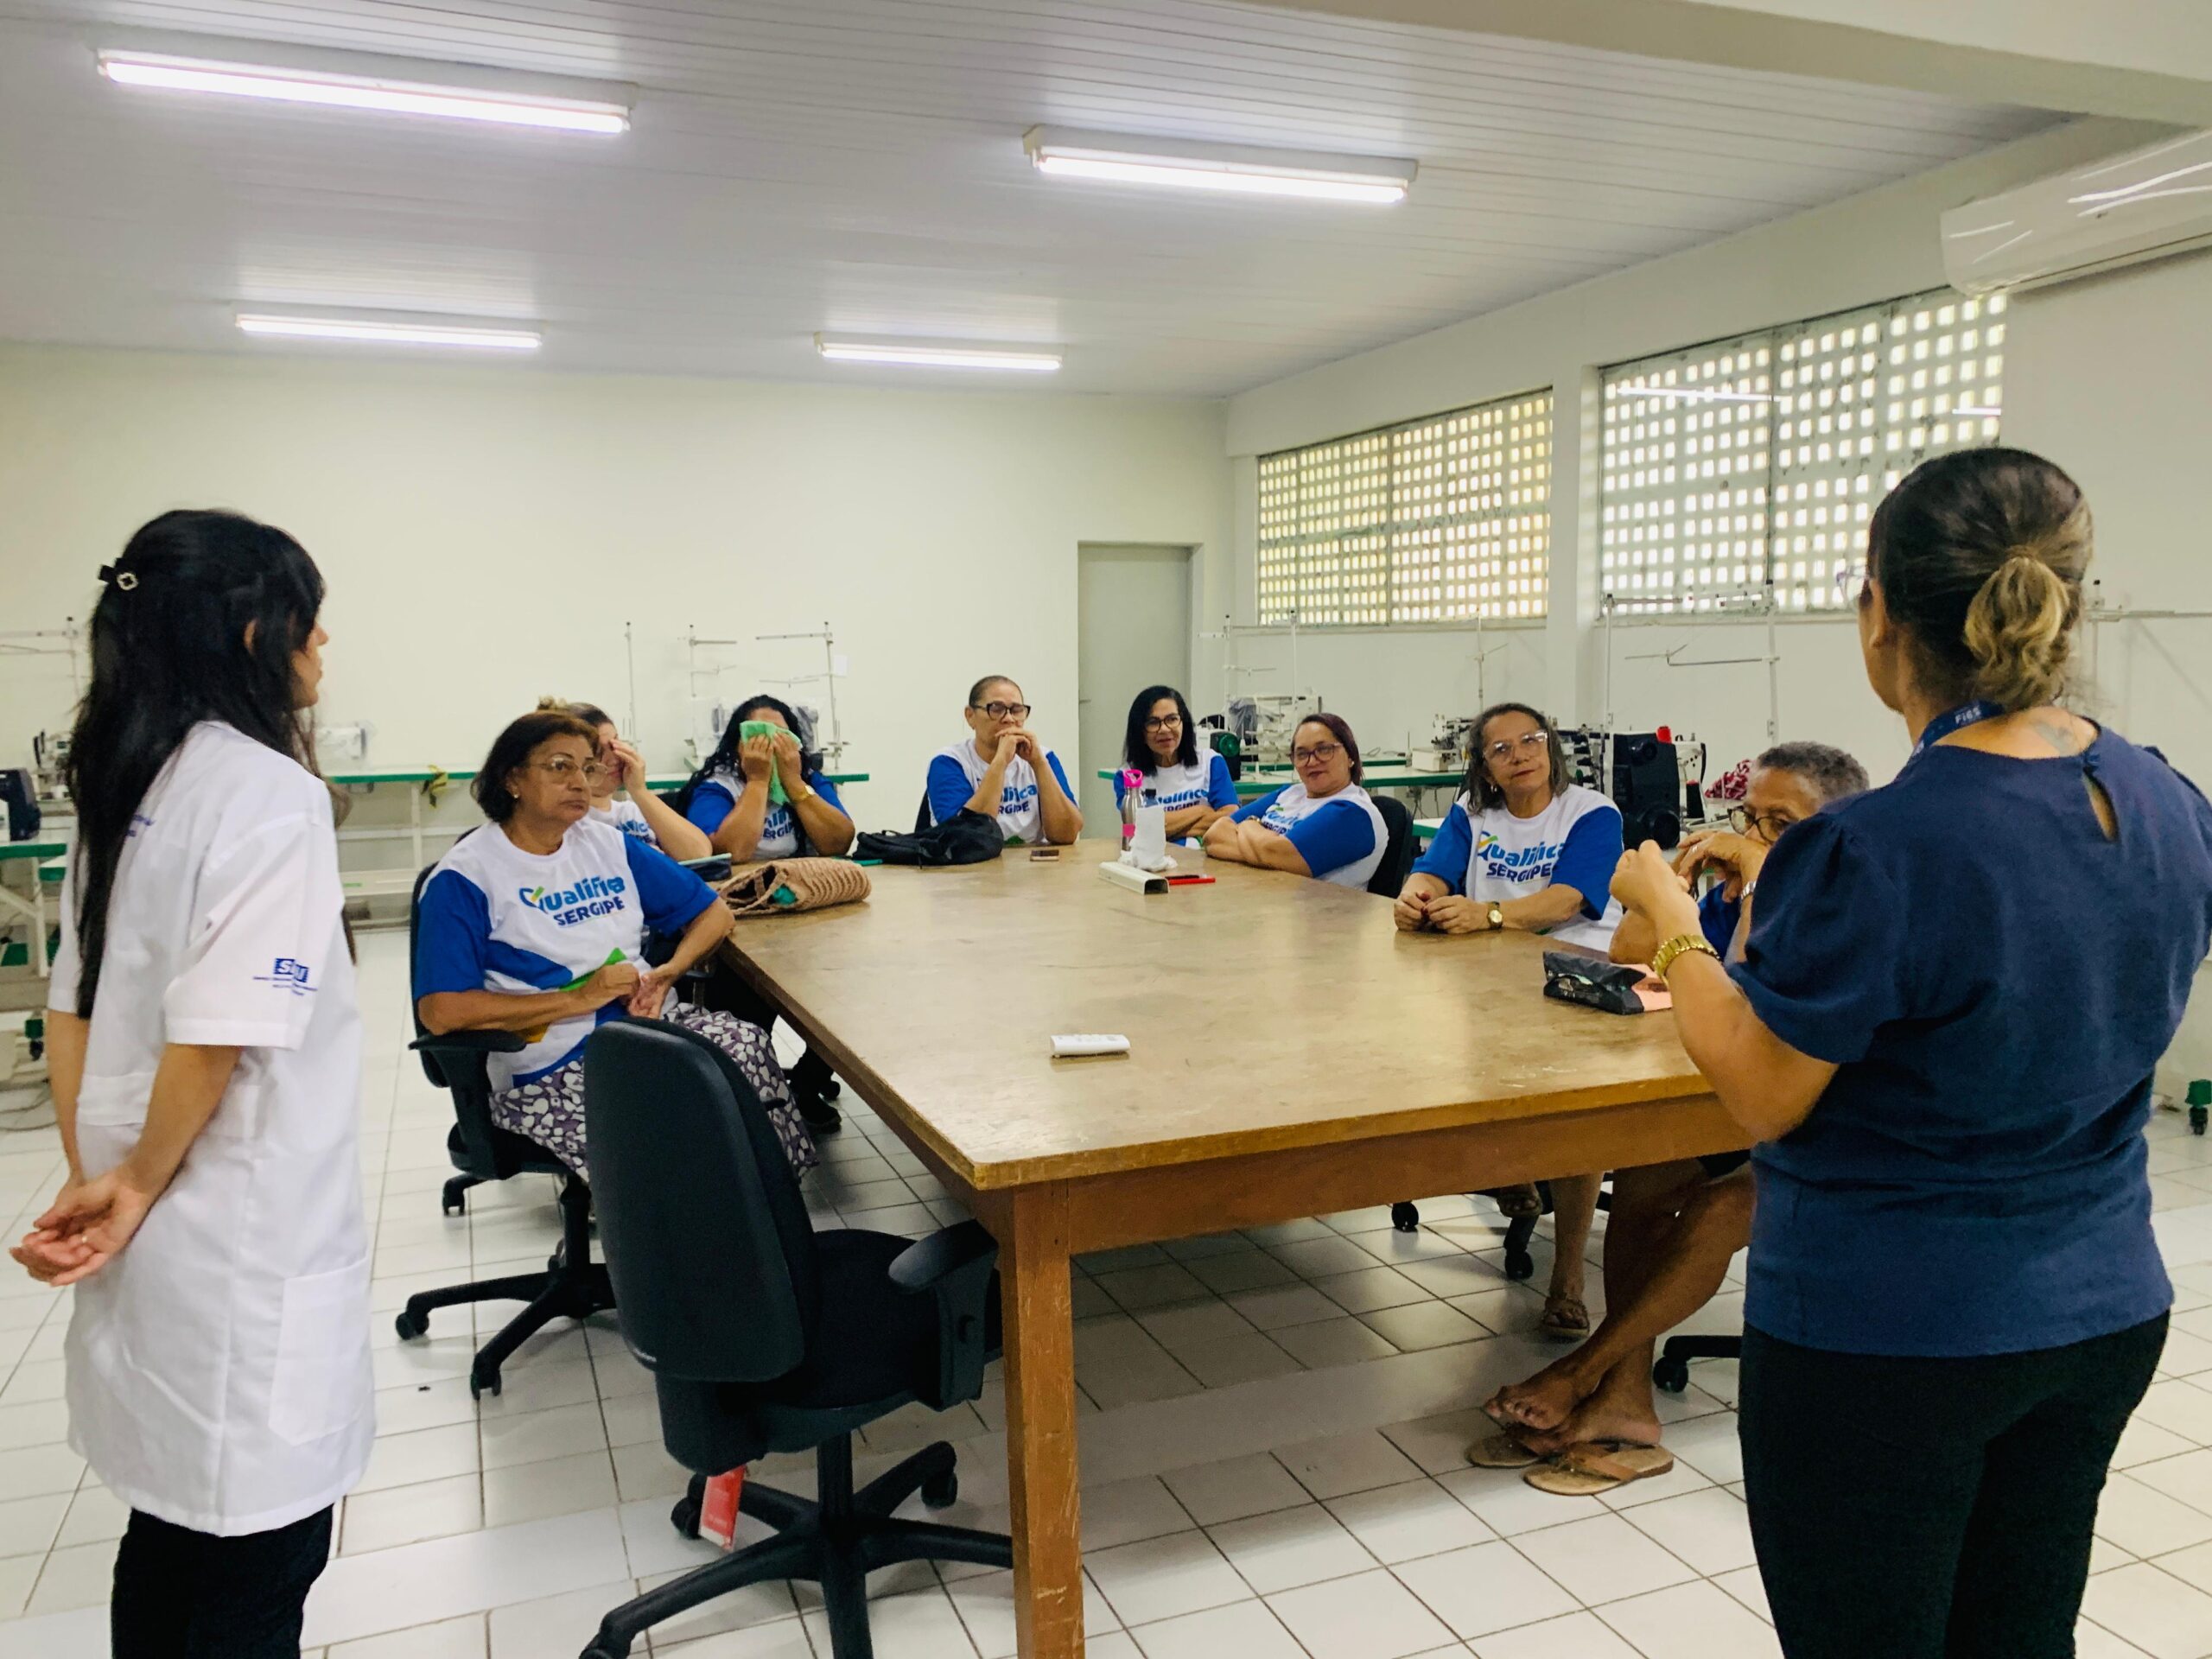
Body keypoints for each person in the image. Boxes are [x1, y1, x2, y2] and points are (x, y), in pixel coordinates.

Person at [1610, 448, 2212, 1659]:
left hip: (1893, 1341)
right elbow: (2023, 952)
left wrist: (1676, 932)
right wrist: (1798, 882)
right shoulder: (2162, 796)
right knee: (2018, 1635)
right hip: (2099, 1316)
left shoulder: (1878, 844)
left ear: (1879, 612)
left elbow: (1768, 1092)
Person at [10, 510, 368, 1657]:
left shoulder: (130, 781)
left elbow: (73, 1004)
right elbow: (215, 1037)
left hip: (153, 1220)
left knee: (170, 1544)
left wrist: (96, 1173)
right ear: (262, 634)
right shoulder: (268, 794)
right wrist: (136, 1184)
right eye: (313, 628)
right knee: (255, 1564)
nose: (326, 652)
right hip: (230, 1241)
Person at [1473, 741, 1869, 1491]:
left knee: (1722, 1206)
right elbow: (1630, 953)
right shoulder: (1728, 885)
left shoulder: (1839, 901)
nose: (1753, 838)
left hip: (1827, 1134)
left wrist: (1755, 889)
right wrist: (1663, 897)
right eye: (1750, 818)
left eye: (1780, 824)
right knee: (1650, 1169)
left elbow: (1760, 998)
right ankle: (1625, 1403)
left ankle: (1587, 1371)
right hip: (1721, 1106)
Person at [414, 709, 816, 1182]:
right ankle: (677, 1237)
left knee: (745, 1046)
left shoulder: (604, 844)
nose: (581, 781)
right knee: (676, 1114)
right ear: (512, 779)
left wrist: (668, 971)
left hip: (649, 1029)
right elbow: (441, 1011)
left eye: (588, 767)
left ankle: (768, 1213)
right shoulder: (467, 876)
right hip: (553, 1063)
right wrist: (579, 998)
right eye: (560, 766)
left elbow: (714, 913)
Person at [1394, 702, 1625, 1337]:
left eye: (1531, 740)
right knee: (1464, 1065)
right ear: (1485, 768)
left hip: (1578, 977)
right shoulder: (1475, 816)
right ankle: (1513, 1173)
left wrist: (1491, 914)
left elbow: (1570, 898)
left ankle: (1569, 1280)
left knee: (1577, 1125)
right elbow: (1432, 872)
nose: (1520, 754)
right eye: (1502, 749)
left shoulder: (1591, 813)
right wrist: (1416, 898)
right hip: (1490, 980)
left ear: (1551, 748)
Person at [1201, 713, 1388, 887]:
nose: (1312, 761)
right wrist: (1266, 853)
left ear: (1351, 756)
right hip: (1264, 900)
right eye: (1302, 754)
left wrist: (1250, 825)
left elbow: (1280, 856)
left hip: (1320, 917)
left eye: (1324, 750)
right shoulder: (1290, 793)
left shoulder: (1354, 813)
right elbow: (1214, 836)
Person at [677, 693, 855, 861]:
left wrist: (794, 784)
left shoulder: (810, 780)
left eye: (782, 737)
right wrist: (757, 782)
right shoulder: (717, 788)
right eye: (759, 737)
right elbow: (731, 854)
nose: (772, 746)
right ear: (737, 746)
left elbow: (839, 844)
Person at [537, 696, 712, 861]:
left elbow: (699, 854)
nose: (614, 758)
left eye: (615, 744)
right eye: (598, 753)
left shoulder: (630, 811)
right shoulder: (569, 822)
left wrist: (640, 791)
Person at [926, 675, 1082, 845]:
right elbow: (966, 839)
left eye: (1016, 710)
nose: (1009, 719)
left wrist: (1039, 764)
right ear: (970, 716)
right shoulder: (948, 762)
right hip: (972, 868)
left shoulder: (1044, 757)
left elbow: (1067, 834)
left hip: (1035, 866)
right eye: (996, 709)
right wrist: (1000, 763)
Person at [1117, 685, 1239, 841]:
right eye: (1153, 722)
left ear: (1184, 723)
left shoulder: (1211, 762)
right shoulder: (1129, 775)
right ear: (1140, 731)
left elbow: (1231, 817)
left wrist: (1165, 828)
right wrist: (1201, 811)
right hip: (1151, 859)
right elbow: (1136, 828)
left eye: (1172, 719)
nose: (1164, 729)